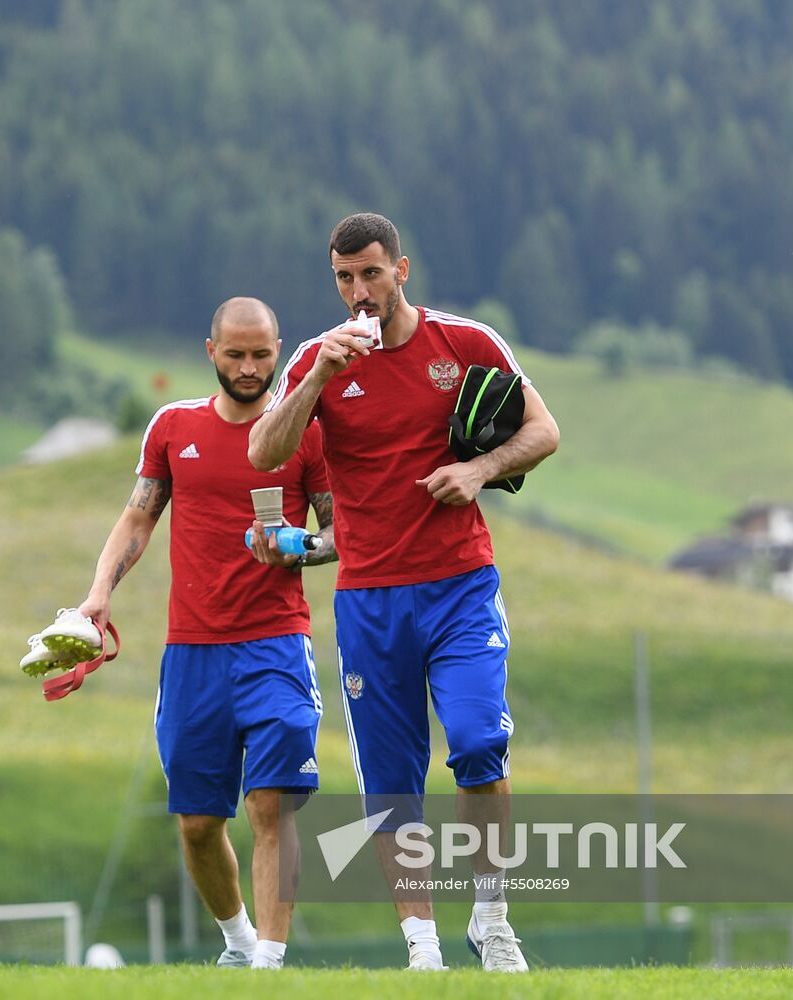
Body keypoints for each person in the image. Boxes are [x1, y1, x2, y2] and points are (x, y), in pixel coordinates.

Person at [248, 213, 560, 972]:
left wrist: (479, 471)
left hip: (459, 585)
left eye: (371, 275)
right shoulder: (318, 362)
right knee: (391, 782)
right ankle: (422, 950)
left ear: (401, 270)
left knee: (482, 743)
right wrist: (319, 373)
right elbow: (264, 451)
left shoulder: (465, 343)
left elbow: (542, 430)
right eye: (344, 279)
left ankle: (492, 920)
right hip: (368, 598)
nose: (359, 292)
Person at [33, 296, 337, 970]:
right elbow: (138, 518)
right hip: (192, 652)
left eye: (262, 354)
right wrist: (97, 597)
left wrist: (300, 548)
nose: (250, 367)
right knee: (199, 824)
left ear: (278, 350)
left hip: (276, 645)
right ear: (211, 353)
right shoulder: (173, 427)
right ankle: (238, 944)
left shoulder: (305, 435)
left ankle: (271, 965)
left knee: (272, 806)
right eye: (236, 354)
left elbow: (340, 532)